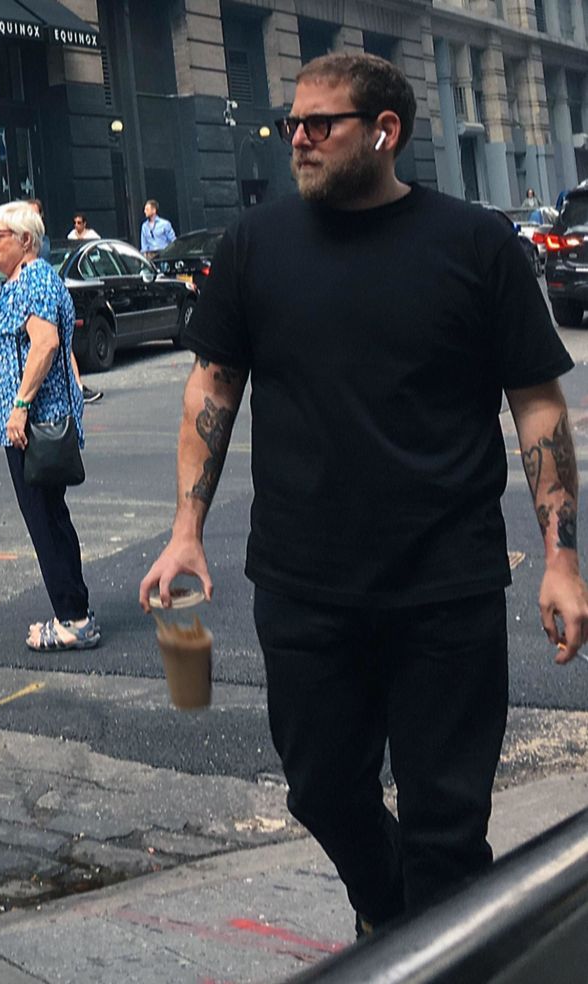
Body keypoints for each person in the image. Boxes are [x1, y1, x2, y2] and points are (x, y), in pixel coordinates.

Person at [139, 52, 588, 934]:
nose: (297, 140)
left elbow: (536, 404)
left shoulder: (476, 244)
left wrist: (561, 558)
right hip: (303, 585)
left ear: (386, 132)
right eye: (291, 124)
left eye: (320, 124)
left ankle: (432, 945)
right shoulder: (255, 245)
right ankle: (394, 922)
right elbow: (212, 387)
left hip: (445, 587)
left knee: (446, 826)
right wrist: (185, 527)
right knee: (322, 790)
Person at [0, 200, 100, 651]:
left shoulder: (33, 279)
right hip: (27, 427)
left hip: (34, 427)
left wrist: (20, 407)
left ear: (25, 240)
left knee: (45, 520)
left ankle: (73, 619)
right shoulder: (19, 282)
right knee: (50, 516)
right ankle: (74, 611)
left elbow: (45, 344)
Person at [26, 198, 102, 405]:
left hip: (45, 299)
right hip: (32, 301)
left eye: (34, 214)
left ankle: (76, 387)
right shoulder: (25, 243)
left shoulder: (42, 243)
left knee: (60, 344)